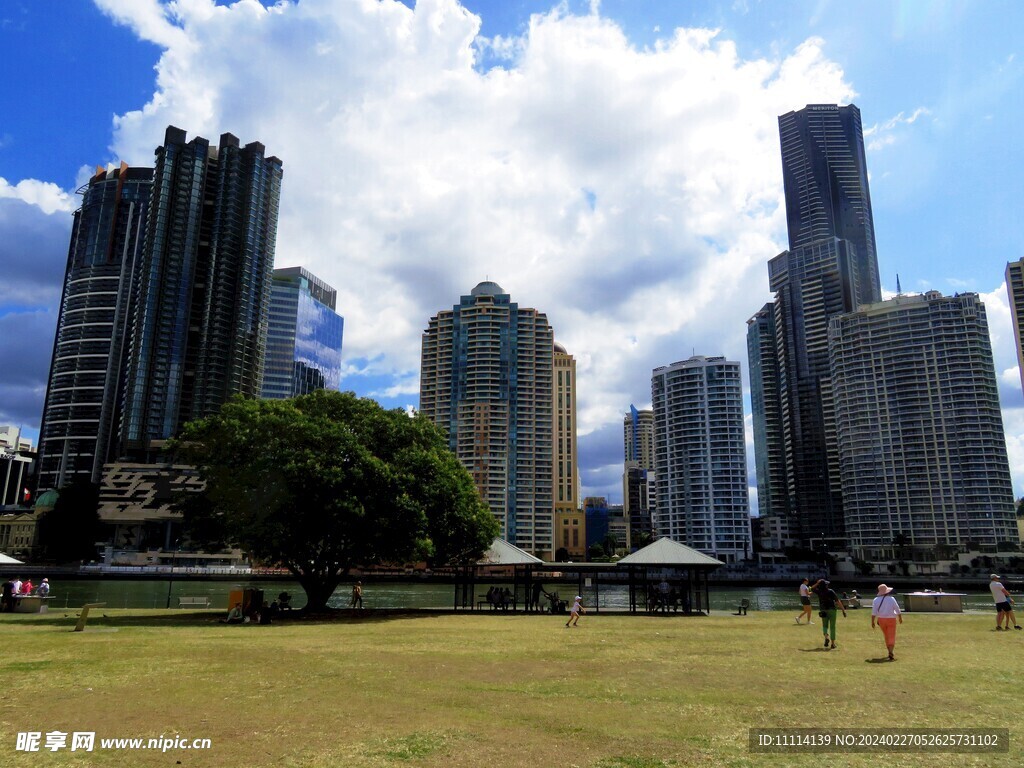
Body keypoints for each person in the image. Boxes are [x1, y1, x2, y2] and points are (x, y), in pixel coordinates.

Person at [810, 579, 846, 649]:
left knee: (824, 626)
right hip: (832, 610)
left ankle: (826, 637)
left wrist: (817, 583)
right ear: (826, 585)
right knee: (832, 627)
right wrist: (843, 610)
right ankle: (833, 644)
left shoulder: (819, 591)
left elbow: (811, 588)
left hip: (823, 610)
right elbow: (837, 601)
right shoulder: (830, 591)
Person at [871, 584, 902, 661]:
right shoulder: (891, 599)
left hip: (881, 619)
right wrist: (900, 617)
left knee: (886, 635)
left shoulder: (875, 600)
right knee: (891, 635)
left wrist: (872, 622)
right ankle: (891, 651)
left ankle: (889, 650)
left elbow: (874, 612)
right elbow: (897, 608)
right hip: (891, 619)